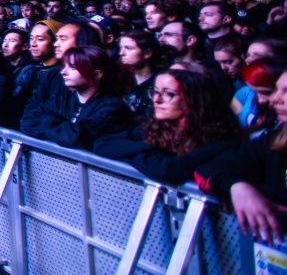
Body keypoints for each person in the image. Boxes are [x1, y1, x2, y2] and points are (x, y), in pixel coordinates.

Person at [195, 59, 287, 244]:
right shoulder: (273, 141)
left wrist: (264, 194)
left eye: (286, 92)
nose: (274, 99)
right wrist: (237, 186)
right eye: (277, 89)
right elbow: (205, 170)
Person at [95, 68, 242, 183]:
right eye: (155, 92)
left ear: (193, 99)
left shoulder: (219, 139)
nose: (157, 100)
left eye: (168, 94)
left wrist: (130, 154)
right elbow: (102, 143)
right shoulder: (156, 127)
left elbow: (169, 169)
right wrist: (152, 151)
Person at [22, 46, 133, 148]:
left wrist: (48, 119)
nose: (63, 72)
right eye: (64, 66)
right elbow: (27, 122)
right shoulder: (63, 99)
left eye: (73, 67)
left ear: (98, 74)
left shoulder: (112, 107)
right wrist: (60, 135)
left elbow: (76, 138)